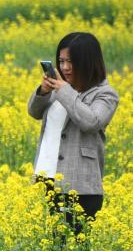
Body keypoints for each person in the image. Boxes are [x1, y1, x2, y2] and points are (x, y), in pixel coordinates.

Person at [28, 32, 118, 236]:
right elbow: (34, 112)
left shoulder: (104, 94)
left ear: (88, 62)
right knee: (49, 247)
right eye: (61, 61)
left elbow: (92, 122)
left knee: (73, 248)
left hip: (79, 186)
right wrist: (43, 91)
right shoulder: (58, 88)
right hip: (46, 180)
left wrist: (64, 91)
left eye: (71, 62)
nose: (65, 67)